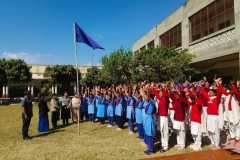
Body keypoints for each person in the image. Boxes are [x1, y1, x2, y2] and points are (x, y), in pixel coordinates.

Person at [143, 90, 156, 155]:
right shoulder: (148, 102)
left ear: (148, 97)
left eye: (145, 97)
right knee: (147, 133)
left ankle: (151, 150)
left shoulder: (151, 103)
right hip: (147, 119)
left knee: (150, 134)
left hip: (150, 119)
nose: (145, 98)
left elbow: (149, 111)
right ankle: (149, 147)